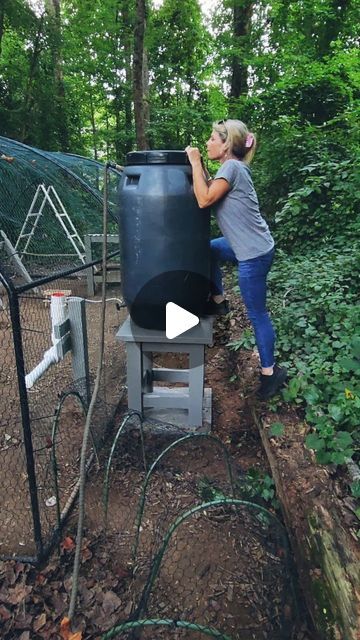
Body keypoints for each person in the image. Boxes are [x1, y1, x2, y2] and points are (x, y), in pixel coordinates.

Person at [185, 119, 287, 400]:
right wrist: (200, 169)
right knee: (208, 250)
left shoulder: (231, 167)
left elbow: (204, 199)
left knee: (257, 313)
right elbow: (207, 186)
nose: (207, 143)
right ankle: (218, 301)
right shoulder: (230, 169)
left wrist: (194, 161)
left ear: (226, 144)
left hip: (254, 254)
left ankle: (271, 373)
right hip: (244, 244)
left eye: (212, 139)